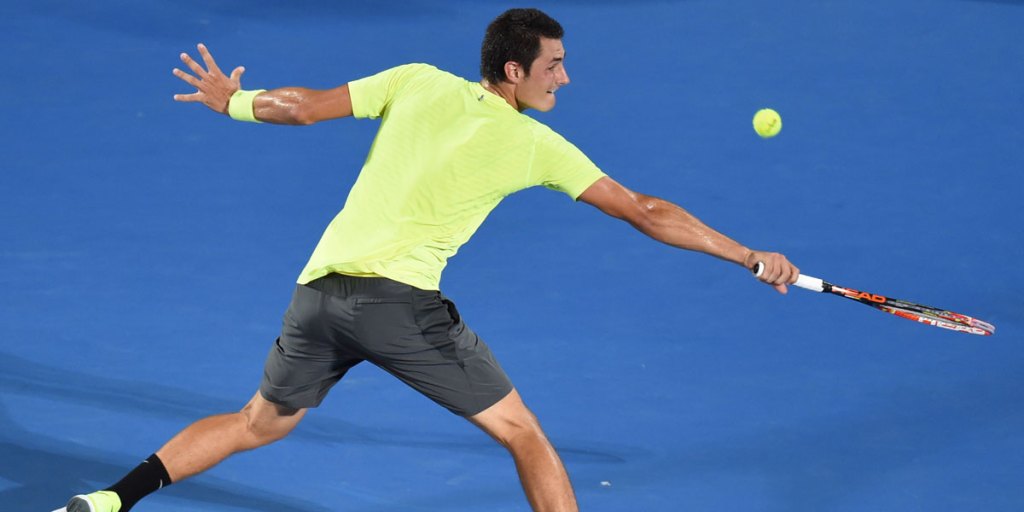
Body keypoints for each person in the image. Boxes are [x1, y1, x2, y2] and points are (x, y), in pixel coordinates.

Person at [60, 8, 798, 512]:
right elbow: (644, 211)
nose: (564, 79)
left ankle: (108, 501)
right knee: (524, 433)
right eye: (554, 66)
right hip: (397, 306)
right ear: (513, 72)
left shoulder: (415, 79)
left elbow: (305, 106)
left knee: (261, 421)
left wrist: (233, 102)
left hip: (317, 295)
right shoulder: (536, 145)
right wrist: (746, 255)